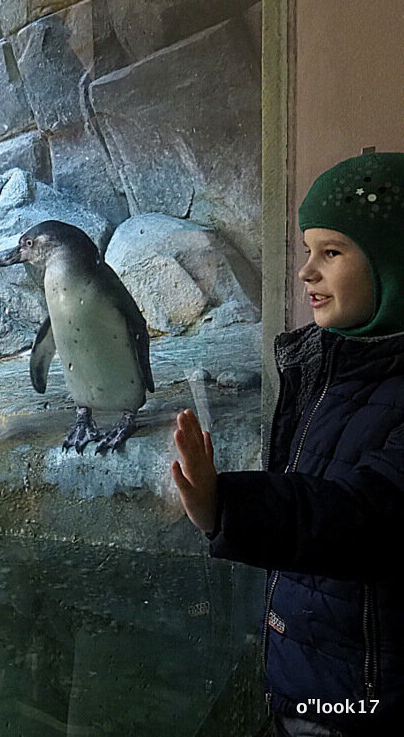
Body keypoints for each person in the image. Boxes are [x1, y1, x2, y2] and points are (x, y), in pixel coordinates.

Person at [171, 151, 404, 736]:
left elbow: (369, 513)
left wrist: (229, 507)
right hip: (313, 683)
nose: (305, 273)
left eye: (331, 252)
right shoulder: (330, 366)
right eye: (307, 251)